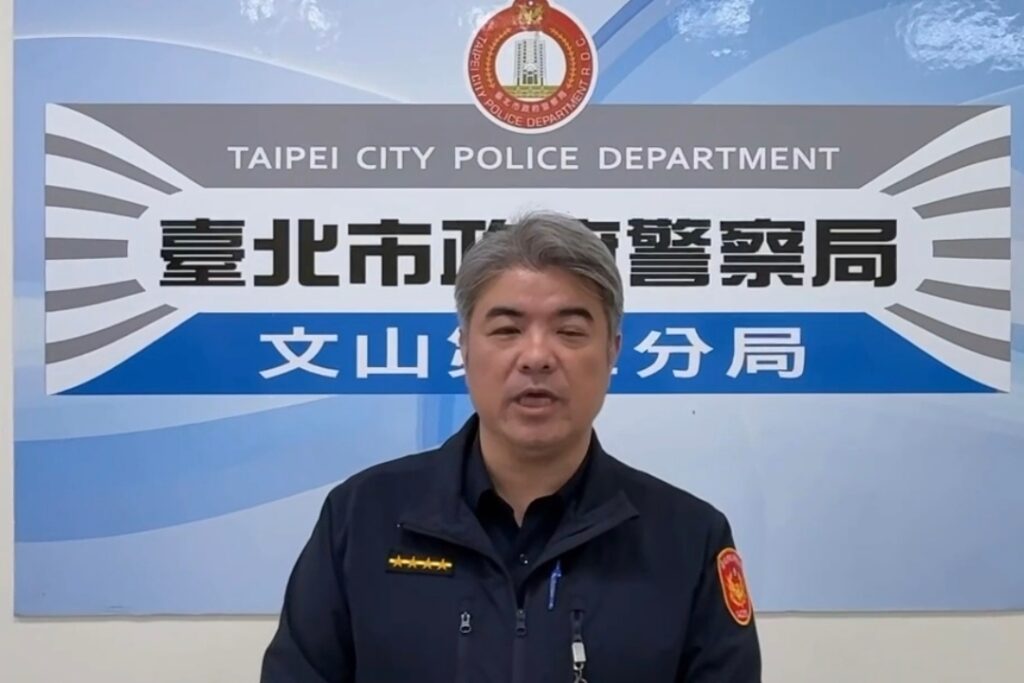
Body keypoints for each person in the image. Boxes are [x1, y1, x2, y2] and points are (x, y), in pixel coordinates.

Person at [260, 210, 762, 682]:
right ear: (464, 347)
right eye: (507, 330)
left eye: (569, 331)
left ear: (613, 350)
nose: (537, 356)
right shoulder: (362, 517)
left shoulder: (689, 538)